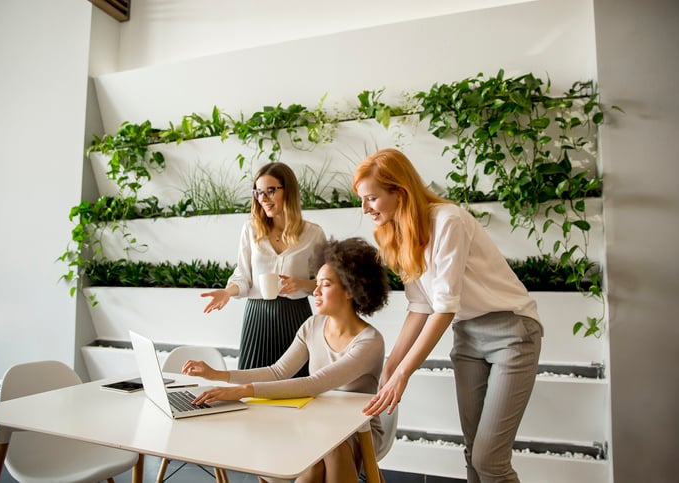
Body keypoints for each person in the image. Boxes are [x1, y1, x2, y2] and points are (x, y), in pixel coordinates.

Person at [354, 148, 543, 483]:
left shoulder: (448, 220)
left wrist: (404, 374)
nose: (365, 209)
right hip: (467, 336)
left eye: (371, 198)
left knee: (490, 460)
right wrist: (391, 365)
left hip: (512, 332)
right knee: (473, 455)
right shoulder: (399, 234)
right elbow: (420, 307)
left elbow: (444, 307)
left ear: (399, 191)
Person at [184, 237, 390, 483]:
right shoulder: (312, 325)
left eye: (324, 285)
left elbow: (315, 383)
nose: (315, 291)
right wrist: (219, 375)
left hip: (359, 431)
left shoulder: (369, 341)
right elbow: (278, 371)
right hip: (317, 422)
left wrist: (242, 390)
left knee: (332, 446)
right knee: (312, 464)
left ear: (350, 290)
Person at [201, 162, 326, 376]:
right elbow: (243, 277)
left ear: (289, 191)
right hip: (258, 318)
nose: (263, 199)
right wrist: (226, 292)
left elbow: (327, 282)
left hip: (296, 317)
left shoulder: (313, 234)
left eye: (270, 191)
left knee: (298, 387)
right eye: (258, 193)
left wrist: (301, 284)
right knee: (251, 388)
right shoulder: (250, 229)